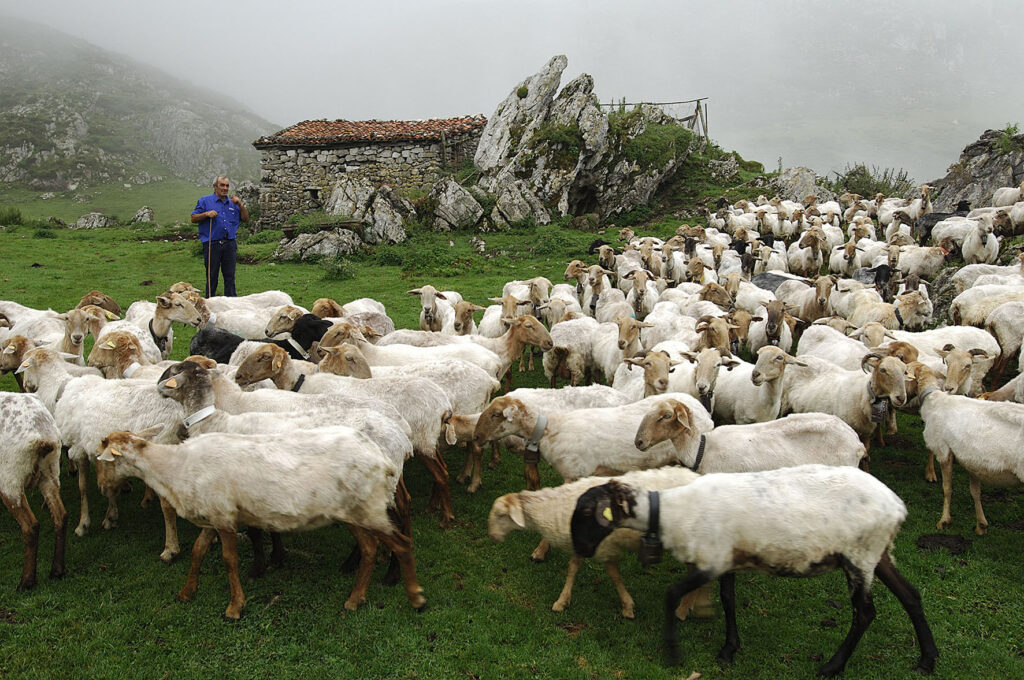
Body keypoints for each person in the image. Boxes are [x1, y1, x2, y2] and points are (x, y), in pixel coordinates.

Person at [191, 176, 248, 297]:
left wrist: (240, 204)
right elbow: (193, 218)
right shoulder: (205, 201)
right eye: (222, 185)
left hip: (230, 244)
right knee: (212, 276)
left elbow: (245, 219)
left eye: (227, 186)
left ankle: (231, 303)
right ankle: (209, 303)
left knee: (230, 276)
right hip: (212, 244)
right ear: (215, 186)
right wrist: (206, 214)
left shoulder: (233, 203)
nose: (225, 188)